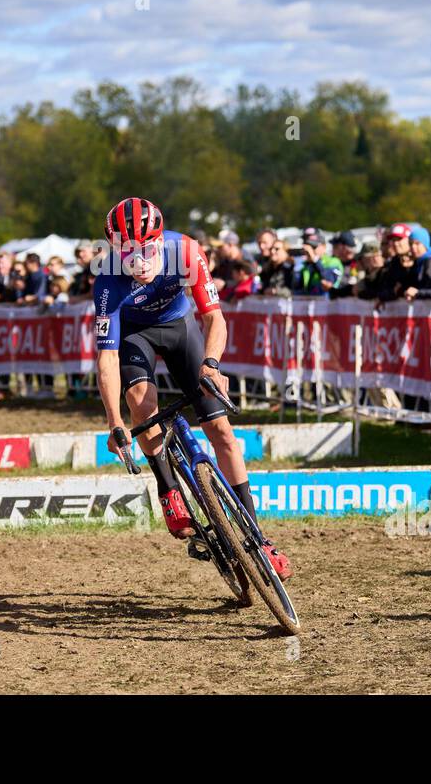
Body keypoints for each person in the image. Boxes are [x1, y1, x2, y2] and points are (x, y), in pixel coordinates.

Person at [93, 197, 290, 580]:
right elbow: (107, 360)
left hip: (181, 328)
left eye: (147, 250)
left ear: (159, 240)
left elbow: (215, 319)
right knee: (140, 403)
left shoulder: (184, 250)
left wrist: (212, 366)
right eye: (128, 253)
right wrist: (114, 422)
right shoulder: (107, 279)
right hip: (135, 337)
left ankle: (259, 538)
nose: (140, 262)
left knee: (222, 432)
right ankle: (168, 488)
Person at [295, 226, 341, 296]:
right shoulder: (305, 265)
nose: (310, 250)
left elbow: (328, 280)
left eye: (313, 247)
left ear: (324, 246)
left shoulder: (333, 262)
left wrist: (315, 259)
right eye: (308, 247)